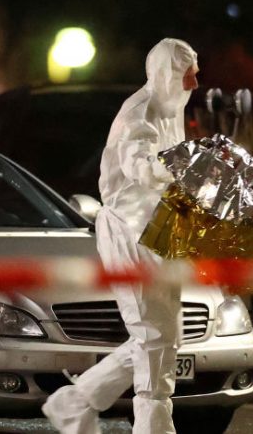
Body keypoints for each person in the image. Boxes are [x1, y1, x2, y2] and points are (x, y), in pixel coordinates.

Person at [42, 38, 199, 434]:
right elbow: (140, 165)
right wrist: (178, 167)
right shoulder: (138, 112)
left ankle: (75, 402)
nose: (194, 84)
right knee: (152, 335)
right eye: (188, 75)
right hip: (128, 235)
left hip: (157, 232)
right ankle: (153, 425)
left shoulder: (169, 110)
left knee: (163, 335)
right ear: (167, 74)